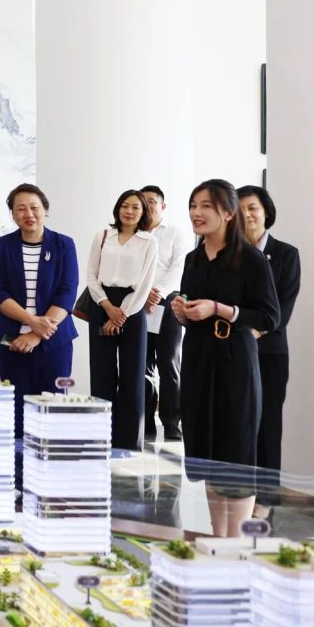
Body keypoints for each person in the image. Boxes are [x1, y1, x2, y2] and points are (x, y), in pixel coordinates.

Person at [172, 179, 279, 535]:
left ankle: (236, 541)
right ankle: (217, 537)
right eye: (193, 205)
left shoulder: (250, 258)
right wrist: (182, 312)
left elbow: (269, 316)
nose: (196, 213)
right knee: (207, 450)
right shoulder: (193, 258)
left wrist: (221, 309)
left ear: (229, 213)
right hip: (198, 359)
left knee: (236, 451)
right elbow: (192, 306)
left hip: (235, 361)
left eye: (206, 206)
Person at [0, 183, 79, 439]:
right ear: (13, 214)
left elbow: (67, 292)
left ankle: (50, 460)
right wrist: (31, 321)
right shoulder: (2, 246)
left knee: (52, 406)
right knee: (17, 408)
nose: (28, 214)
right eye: (21, 208)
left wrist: (37, 334)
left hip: (54, 341)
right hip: (12, 342)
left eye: (34, 207)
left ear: (44, 209)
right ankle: (19, 462)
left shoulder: (64, 245)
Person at [237, 184, 301, 508]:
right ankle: (239, 490)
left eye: (252, 208)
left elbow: (283, 308)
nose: (247, 214)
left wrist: (253, 333)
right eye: (240, 209)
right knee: (238, 423)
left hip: (269, 352)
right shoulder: (229, 254)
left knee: (268, 422)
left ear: (266, 212)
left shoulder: (286, 254)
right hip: (233, 351)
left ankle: (266, 494)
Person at [85, 190, 159, 450]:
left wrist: (120, 316)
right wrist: (107, 307)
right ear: (117, 208)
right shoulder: (103, 236)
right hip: (101, 304)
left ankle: (129, 442)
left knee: (133, 376)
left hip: (133, 308)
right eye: (125, 206)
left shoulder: (149, 242)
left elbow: (145, 285)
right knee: (101, 373)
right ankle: (101, 438)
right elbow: (91, 277)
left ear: (143, 212)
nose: (129, 211)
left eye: (136, 207)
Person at [141, 184, 193, 441]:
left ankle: (172, 423)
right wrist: (143, 294)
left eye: (152, 201)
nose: (147, 205)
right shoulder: (134, 233)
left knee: (169, 364)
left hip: (168, 303)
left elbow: (178, 267)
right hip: (139, 304)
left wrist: (158, 292)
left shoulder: (175, 233)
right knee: (143, 365)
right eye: (143, 201)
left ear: (163, 206)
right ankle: (146, 421)